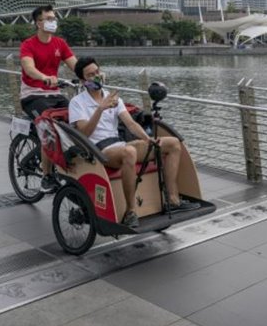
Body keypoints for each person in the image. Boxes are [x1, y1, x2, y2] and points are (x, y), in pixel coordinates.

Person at [69, 56, 199, 227]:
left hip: (120, 145)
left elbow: (130, 123)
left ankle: (172, 199)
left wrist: (148, 139)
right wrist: (100, 109)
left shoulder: (113, 97)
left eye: (97, 72)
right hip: (100, 150)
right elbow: (85, 132)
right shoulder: (77, 103)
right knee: (129, 152)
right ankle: (130, 211)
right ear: (82, 80)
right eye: (91, 75)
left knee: (172, 143)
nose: (97, 76)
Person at [19, 5, 77, 192]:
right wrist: (44, 77)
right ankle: (46, 176)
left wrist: (93, 74)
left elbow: (75, 65)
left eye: (54, 18)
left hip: (55, 94)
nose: (53, 22)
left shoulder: (60, 43)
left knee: (78, 119)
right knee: (48, 126)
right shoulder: (28, 44)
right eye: (49, 19)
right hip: (32, 95)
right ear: (38, 23)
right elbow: (29, 68)